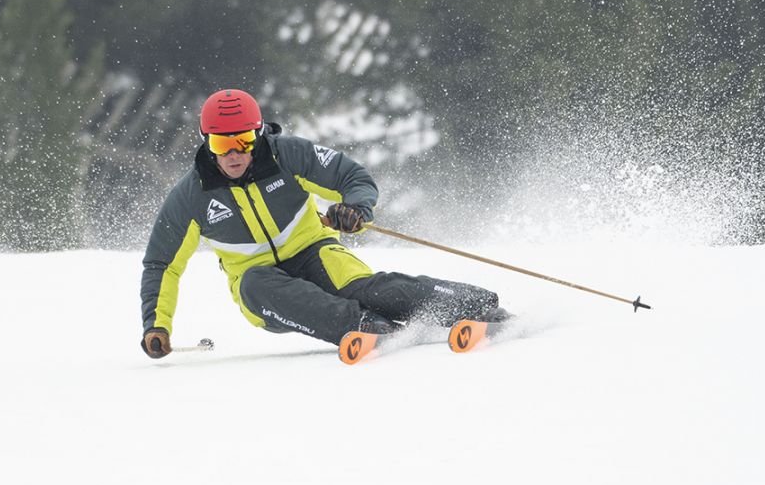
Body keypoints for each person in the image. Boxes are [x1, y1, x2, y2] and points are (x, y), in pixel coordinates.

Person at [139, 89, 509, 358]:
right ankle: (364, 326)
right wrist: (157, 325)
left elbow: (354, 177)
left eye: (244, 140)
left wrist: (355, 208)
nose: (235, 153)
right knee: (254, 283)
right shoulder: (192, 196)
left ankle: (474, 305)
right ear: (206, 143)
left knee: (366, 288)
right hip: (261, 284)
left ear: (259, 135)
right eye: (222, 144)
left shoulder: (287, 155)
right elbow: (161, 264)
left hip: (315, 252)